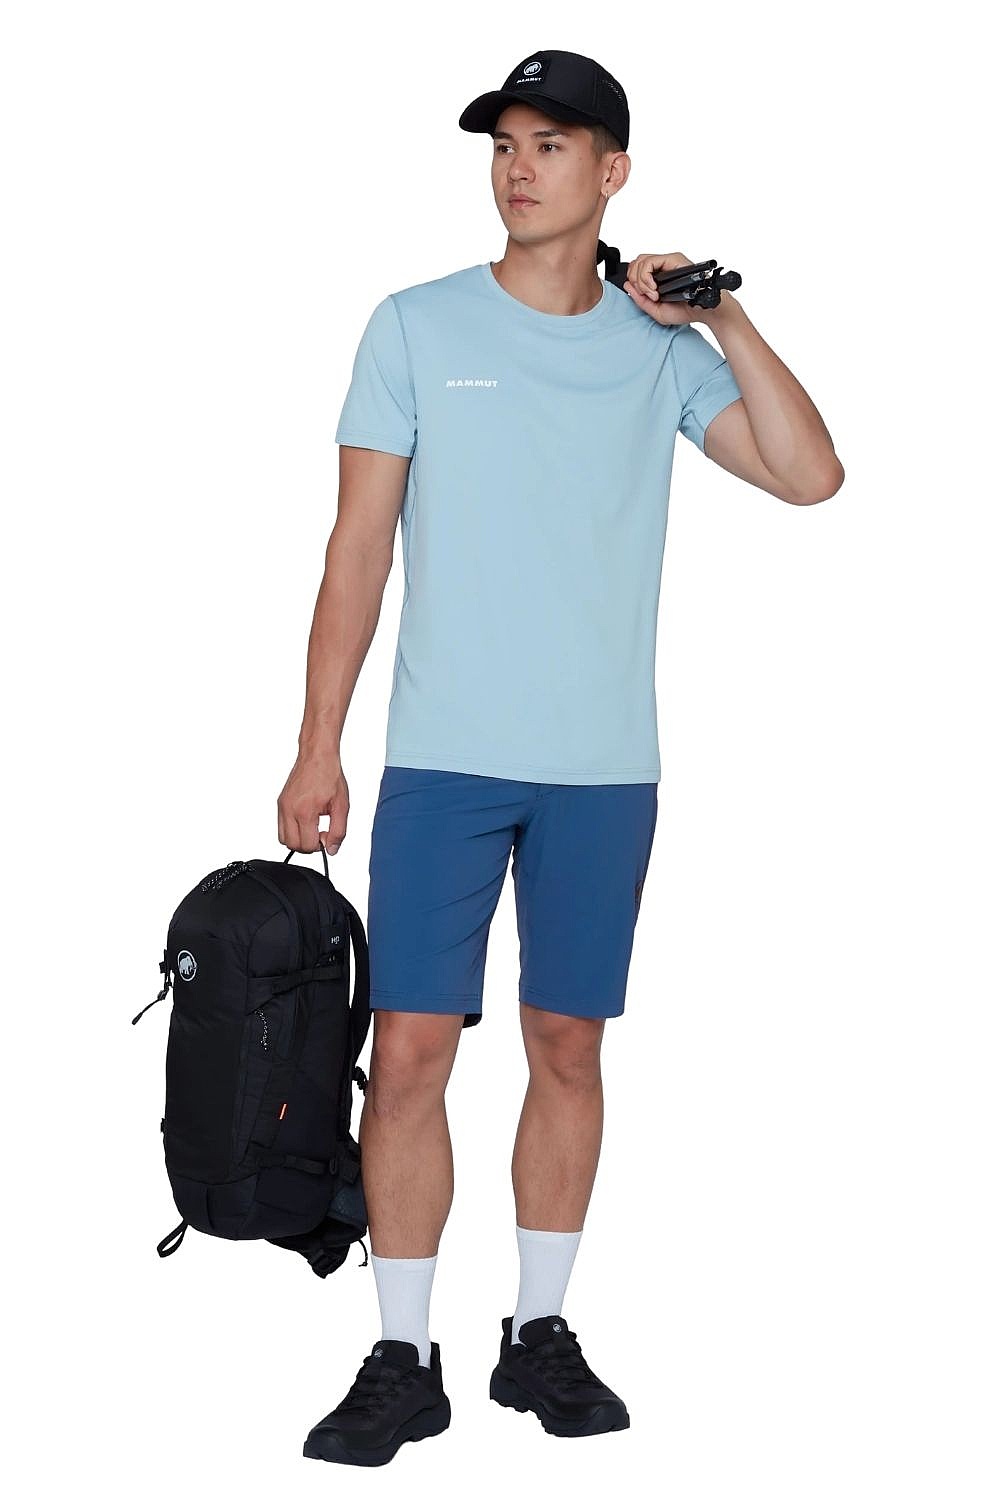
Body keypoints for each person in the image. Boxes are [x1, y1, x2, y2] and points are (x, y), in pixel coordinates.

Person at [278, 48, 844, 1467]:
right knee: (410, 1050)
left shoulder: (661, 353)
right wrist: (316, 744)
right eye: (504, 144)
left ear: (613, 172)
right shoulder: (414, 325)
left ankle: (537, 1336)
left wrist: (723, 315)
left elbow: (809, 474)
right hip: (442, 764)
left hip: (601, 770)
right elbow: (357, 550)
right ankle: (402, 1354)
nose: (519, 168)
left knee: (568, 1047)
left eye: (550, 144)